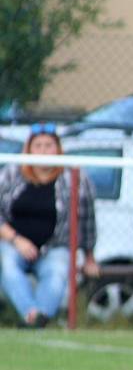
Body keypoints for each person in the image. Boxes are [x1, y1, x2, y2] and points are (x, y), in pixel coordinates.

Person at [0, 124, 98, 327]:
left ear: (58, 149)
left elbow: (88, 219)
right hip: (14, 244)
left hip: (55, 246)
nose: (43, 151)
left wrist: (89, 257)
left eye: (48, 146)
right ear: (28, 149)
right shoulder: (10, 174)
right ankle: (32, 315)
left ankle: (38, 318)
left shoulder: (75, 177)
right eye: (38, 146)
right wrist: (17, 240)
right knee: (8, 265)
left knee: (57, 271)